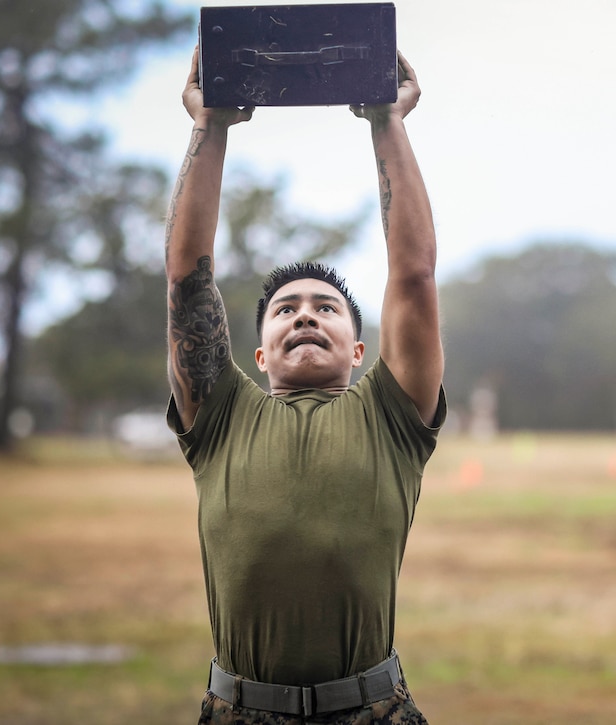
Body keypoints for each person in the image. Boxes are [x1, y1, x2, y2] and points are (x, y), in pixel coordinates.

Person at [164, 46, 445, 724]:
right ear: (258, 353)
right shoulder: (221, 415)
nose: (305, 313)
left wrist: (387, 121)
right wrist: (211, 126)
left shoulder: (392, 413)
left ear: (359, 346)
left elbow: (412, 275)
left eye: (325, 306)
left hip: (371, 710)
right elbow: (188, 280)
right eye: (286, 308)